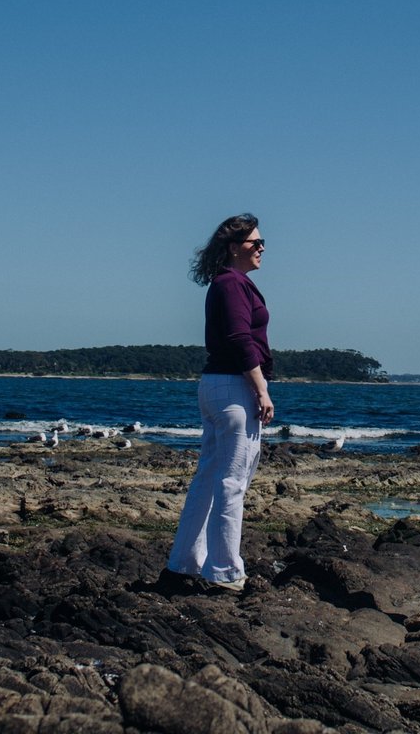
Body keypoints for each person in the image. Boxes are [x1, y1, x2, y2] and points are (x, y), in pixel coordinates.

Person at [166, 213, 274, 592]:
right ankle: (226, 572)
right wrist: (261, 389)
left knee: (210, 478)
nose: (261, 247)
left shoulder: (227, 283)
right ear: (233, 248)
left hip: (216, 386)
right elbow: (240, 339)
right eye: (253, 243)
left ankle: (183, 564)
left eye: (262, 242)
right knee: (232, 481)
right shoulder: (232, 284)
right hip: (233, 388)